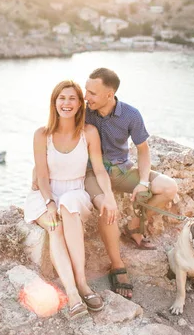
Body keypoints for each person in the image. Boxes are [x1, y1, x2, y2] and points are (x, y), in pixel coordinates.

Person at [24, 80, 118, 319]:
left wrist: (108, 197)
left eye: (72, 98)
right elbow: (42, 176)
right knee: (55, 228)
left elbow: (98, 170)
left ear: (79, 104)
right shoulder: (41, 135)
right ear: (54, 102)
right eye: (61, 98)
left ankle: (83, 283)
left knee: (68, 204)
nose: (66, 103)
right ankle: (74, 294)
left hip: (75, 191)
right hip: (46, 194)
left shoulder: (89, 133)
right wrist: (49, 202)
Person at [83, 68, 178, 299]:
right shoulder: (83, 112)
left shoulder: (131, 115)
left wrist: (143, 181)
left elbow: (143, 151)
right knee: (107, 207)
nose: (86, 96)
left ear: (110, 94)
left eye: (92, 93)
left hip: (123, 171)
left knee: (169, 187)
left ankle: (134, 226)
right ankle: (117, 265)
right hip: (92, 174)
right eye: (86, 90)